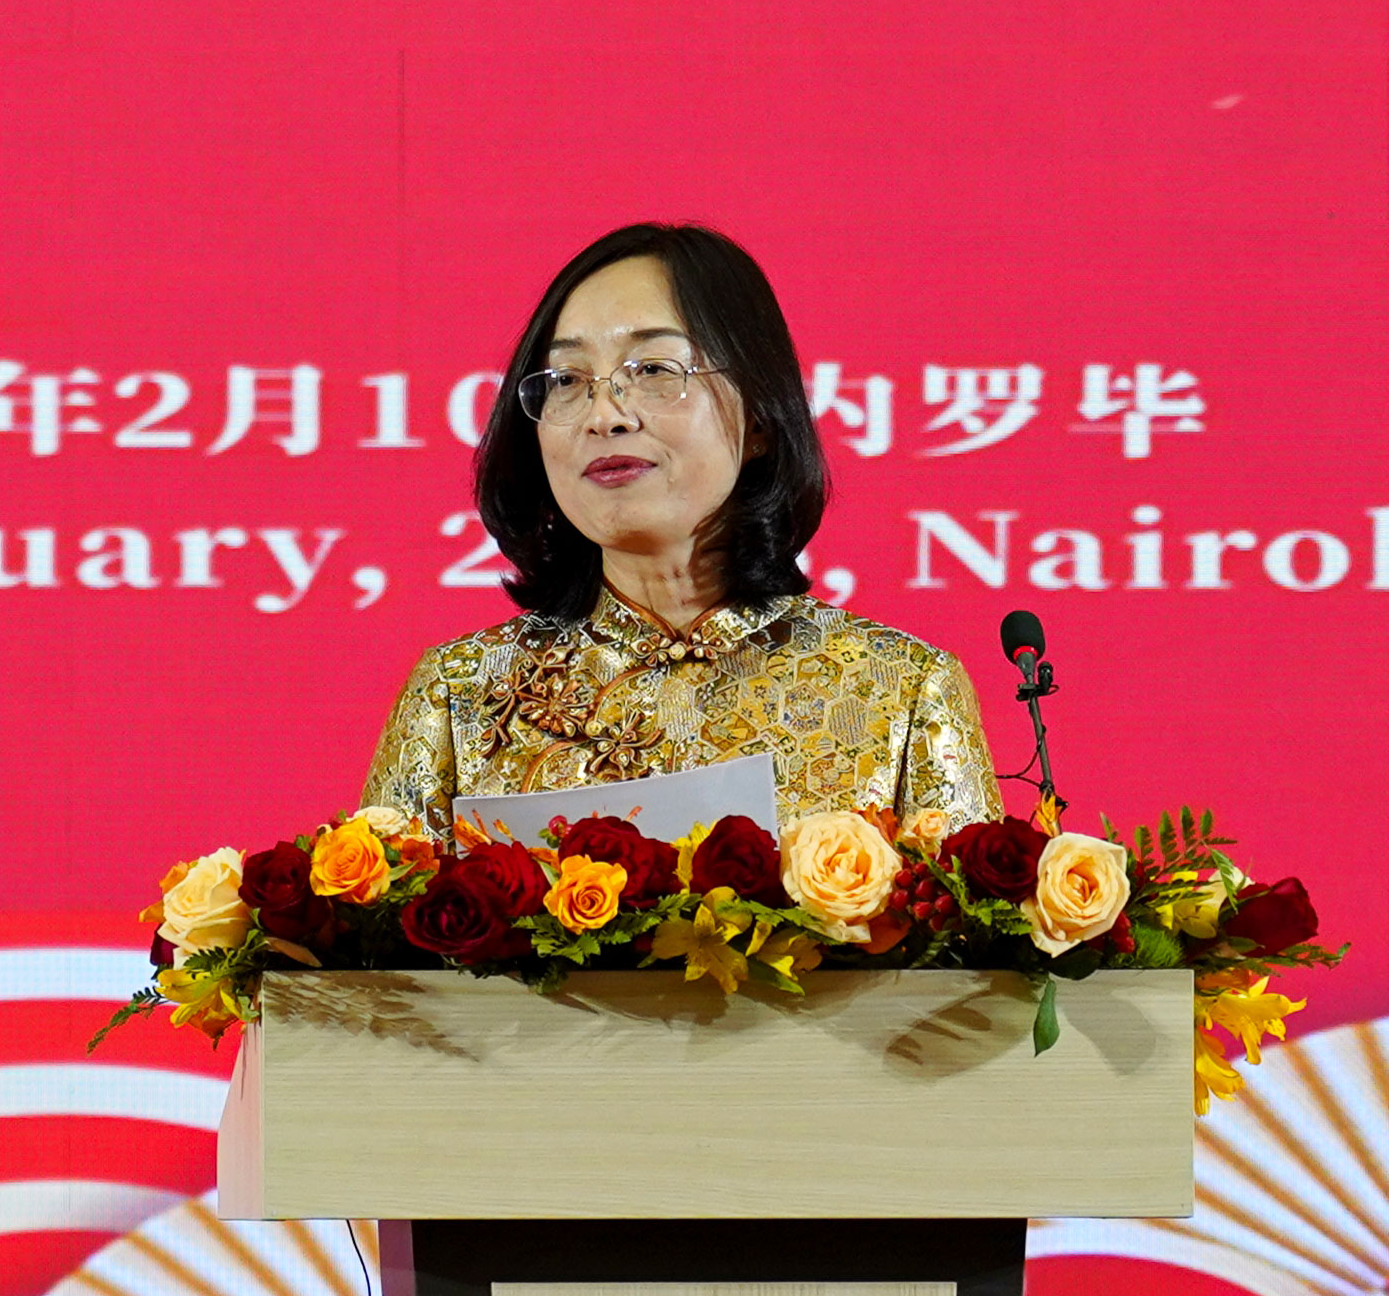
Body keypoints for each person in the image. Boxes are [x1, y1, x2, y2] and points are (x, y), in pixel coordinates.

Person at [360, 223, 1003, 837]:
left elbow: (964, 917)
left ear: (759, 416)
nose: (604, 414)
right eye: (567, 380)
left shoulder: (902, 690)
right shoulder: (460, 693)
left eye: (654, 370)